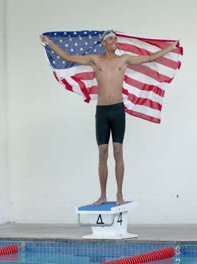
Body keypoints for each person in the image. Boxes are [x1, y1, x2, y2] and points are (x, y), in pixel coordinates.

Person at [41, 30, 178, 206]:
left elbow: (151, 58)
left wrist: (170, 47)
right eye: (111, 38)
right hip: (102, 111)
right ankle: (103, 195)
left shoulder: (124, 59)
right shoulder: (95, 60)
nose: (115, 41)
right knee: (102, 153)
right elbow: (68, 57)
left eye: (116, 38)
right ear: (104, 43)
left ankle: (119, 194)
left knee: (118, 151)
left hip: (118, 110)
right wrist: (49, 43)